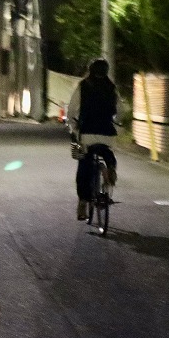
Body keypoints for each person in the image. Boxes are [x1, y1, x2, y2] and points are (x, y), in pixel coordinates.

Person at [67, 57, 119, 221]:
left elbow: (72, 109)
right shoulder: (111, 87)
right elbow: (121, 110)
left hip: (87, 134)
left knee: (84, 164)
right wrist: (116, 123)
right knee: (107, 152)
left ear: (90, 70)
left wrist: (73, 125)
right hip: (107, 134)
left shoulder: (83, 86)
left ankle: (83, 202)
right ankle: (109, 168)